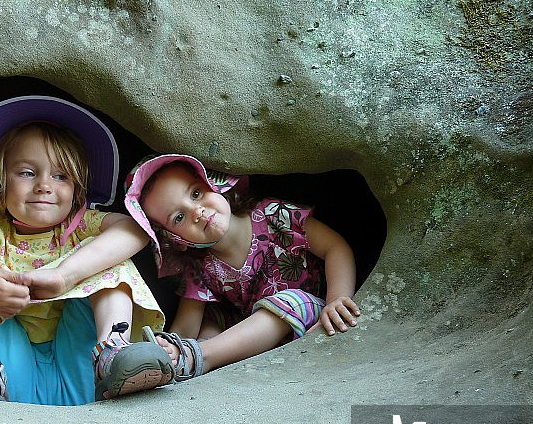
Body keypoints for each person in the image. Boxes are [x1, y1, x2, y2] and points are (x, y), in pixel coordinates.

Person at [0, 96, 173, 405]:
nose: (44, 186)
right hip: (8, 377)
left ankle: (113, 353)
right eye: (26, 173)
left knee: (107, 253)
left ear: (77, 189)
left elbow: (135, 230)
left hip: (85, 371)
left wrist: (66, 275)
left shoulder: (81, 226)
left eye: (61, 176)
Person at [124, 154, 361, 380]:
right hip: (251, 334)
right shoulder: (198, 266)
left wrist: (337, 299)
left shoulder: (273, 215)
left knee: (291, 300)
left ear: (215, 185)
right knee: (211, 317)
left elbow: (335, 247)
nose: (197, 212)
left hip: (309, 312)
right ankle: (189, 356)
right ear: (176, 240)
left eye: (196, 193)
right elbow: (187, 325)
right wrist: (169, 346)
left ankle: (204, 356)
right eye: (178, 218)